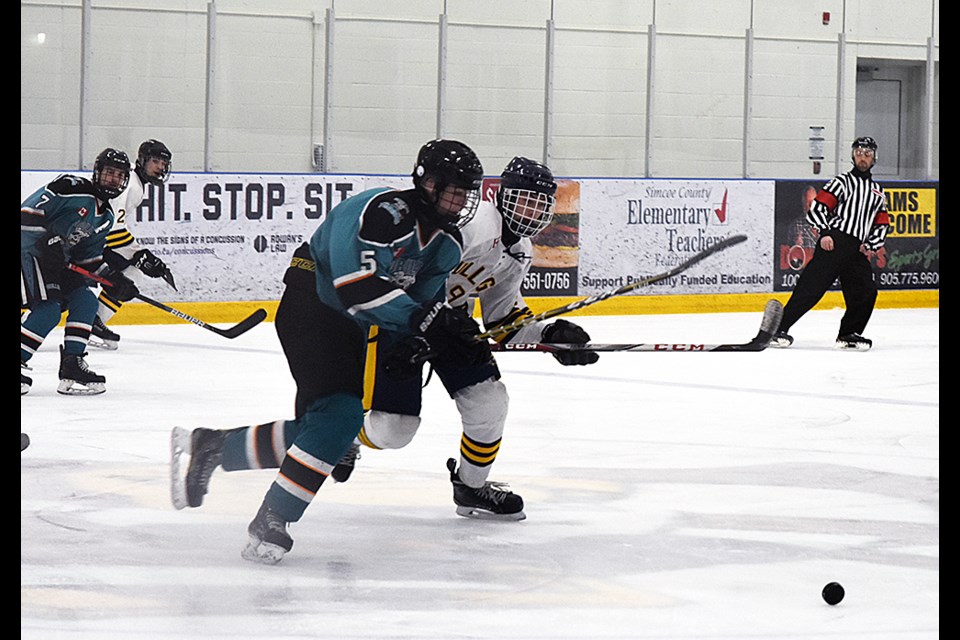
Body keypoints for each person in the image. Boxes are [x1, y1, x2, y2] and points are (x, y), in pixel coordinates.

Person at [171, 139, 487, 564]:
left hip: (353, 323)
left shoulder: (446, 246)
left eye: (466, 192)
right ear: (426, 182)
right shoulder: (386, 213)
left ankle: (214, 447)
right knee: (339, 418)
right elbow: (355, 286)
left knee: (323, 431)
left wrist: (422, 339)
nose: (459, 200)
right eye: (452, 188)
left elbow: (420, 306)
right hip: (313, 302)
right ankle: (272, 519)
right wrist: (420, 323)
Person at [329, 157, 600, 520]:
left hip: (452, 327)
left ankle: (471, 487)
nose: (532, 210)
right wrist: (420, 319)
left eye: (539, 203)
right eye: (524, 199)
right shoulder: (473, 223)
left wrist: (550, 334)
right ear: (503, 196)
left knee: (490, 403)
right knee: (394, 430)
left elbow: (503, 319)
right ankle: (346, 435)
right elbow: (412, 269)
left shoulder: (519, 251)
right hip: (405, 322)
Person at [21, 148, 141, 395]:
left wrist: (114, 280)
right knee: (49, 311)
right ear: (97, 172)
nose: (113, 180)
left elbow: (88, 261)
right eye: (109, 173)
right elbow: (26, 215)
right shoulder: (69, 187)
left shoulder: (105, 217)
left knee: (86, 299)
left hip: (52, 264)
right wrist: (48, 240)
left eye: (119, 176)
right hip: (27, 252)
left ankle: (72, 364)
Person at [772, 136, 890, 350]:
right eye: (859, 153)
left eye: (868, 154)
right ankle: (778, 328)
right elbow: (818, 208)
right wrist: (825, 233)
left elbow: (882, 222)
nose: (863, 157)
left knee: (866, 291)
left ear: (874, 158)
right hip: (834, 243)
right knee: (810, 288)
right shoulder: (841, 182)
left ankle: (849, 334)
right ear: (853, 156)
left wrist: (871, 245)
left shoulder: (878, 193)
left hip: (856, 249)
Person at [90, 139, 176, 350]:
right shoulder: (129, 183)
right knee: (129, 273)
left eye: (163, 164)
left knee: (130, 273)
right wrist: (139, 254)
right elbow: (110, 227)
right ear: (142, 160)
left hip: (94, 239)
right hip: (88, 240)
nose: (160, 167)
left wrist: (139, 255)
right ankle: (92, 321)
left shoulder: (135, 184)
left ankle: (94, 321)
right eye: (155, 161)